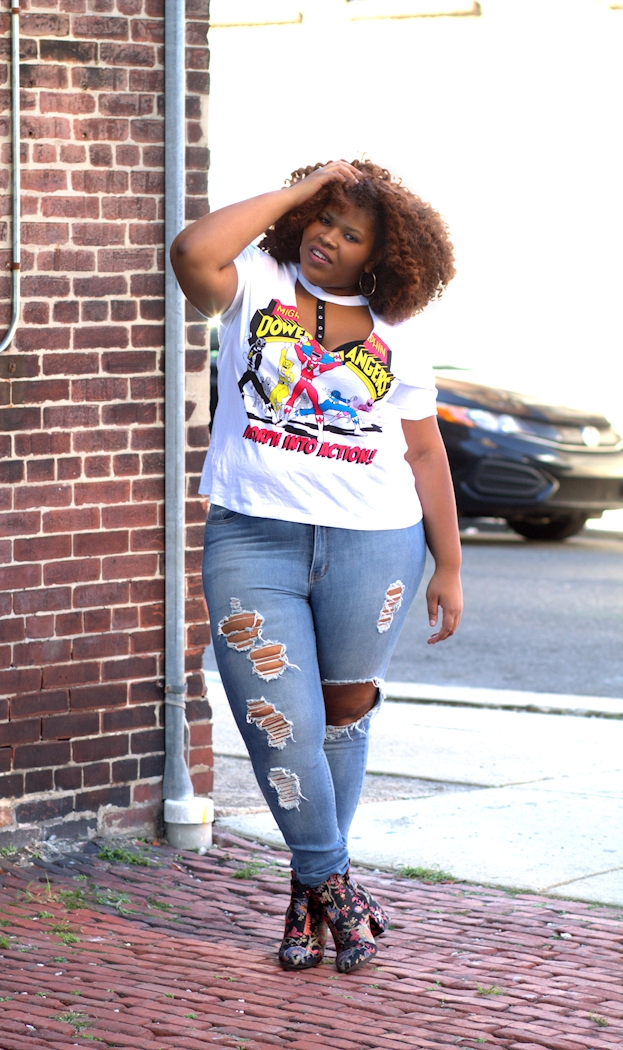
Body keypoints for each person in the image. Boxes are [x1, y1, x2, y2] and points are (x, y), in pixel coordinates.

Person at [171, 159, 463, 974]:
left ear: (382, 254)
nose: (327, 237)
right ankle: (335, 879)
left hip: (377, 542)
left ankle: (309, 898)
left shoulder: (398, 331)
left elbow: (424, 452)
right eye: (321, 219)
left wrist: (449, 564)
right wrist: (302, 191)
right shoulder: (256, 282)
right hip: (252, 538)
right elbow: (191, 250)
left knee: (342, 715)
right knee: (278, 721)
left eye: (349, 232)